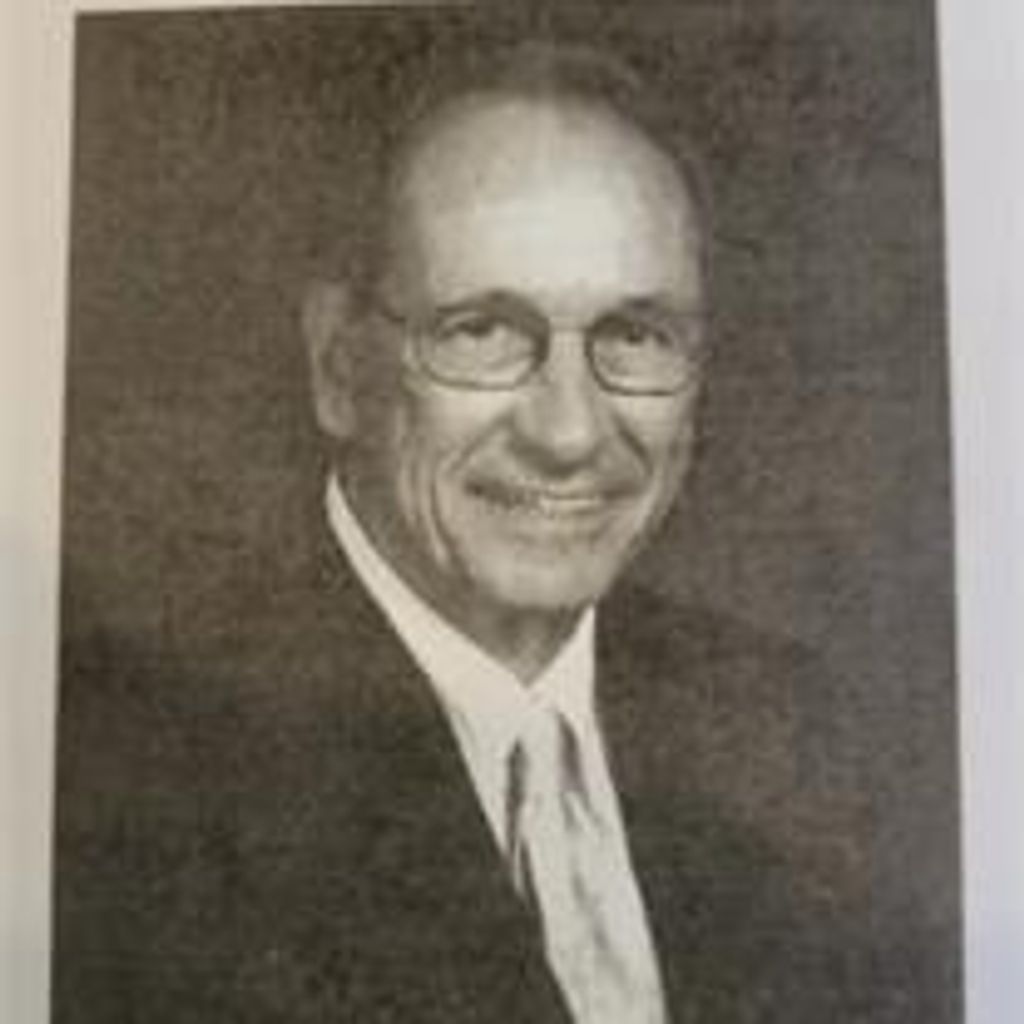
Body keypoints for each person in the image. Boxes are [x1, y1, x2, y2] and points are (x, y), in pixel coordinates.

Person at [54, 39, 878, 1024]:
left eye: (634, 334)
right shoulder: (121, 776)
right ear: (338, 367)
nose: (569, 434)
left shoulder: (791, 730)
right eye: (482, 331)